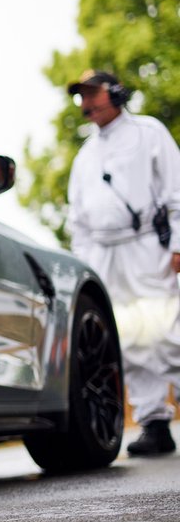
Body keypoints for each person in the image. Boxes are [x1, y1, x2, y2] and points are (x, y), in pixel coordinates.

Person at [66, 70, 180, 456]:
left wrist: (178, 243)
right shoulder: (85, 156)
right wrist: (86, 267)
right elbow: (78, 220)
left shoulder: (149, 133)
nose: (87, 104)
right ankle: (154, 422)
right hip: (103, 255)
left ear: (115, 93)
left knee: (166, 330)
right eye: (82, 97)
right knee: (128, 337)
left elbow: (176, 189)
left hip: (147, 247)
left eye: (92, 94)